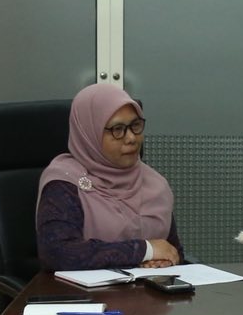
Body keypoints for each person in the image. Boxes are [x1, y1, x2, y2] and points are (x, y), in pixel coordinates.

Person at [36, 82, 186, 272]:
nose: (131, 138)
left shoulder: (154, 183)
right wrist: (144, 250)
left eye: (135, 125)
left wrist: (164, 261)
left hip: (149, 289)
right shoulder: (64, 184)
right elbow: (58, 254)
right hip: (82, 291)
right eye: (117, 129)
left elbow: (173, 250)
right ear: (89, 134)